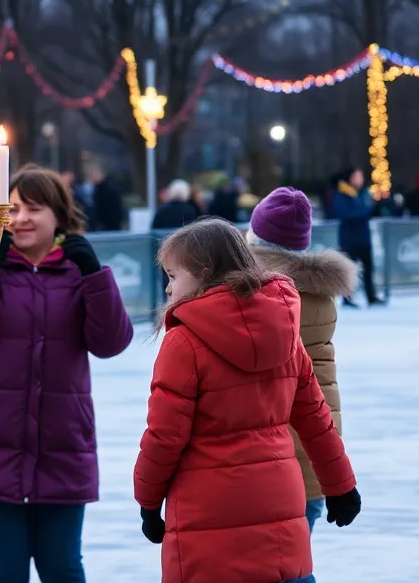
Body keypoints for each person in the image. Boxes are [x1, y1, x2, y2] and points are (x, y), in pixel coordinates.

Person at [0, 165, 133, 582]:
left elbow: (111, 342)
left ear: (58, 215)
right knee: (4, 570)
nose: (20, 219)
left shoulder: (78, 273)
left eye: (33, 208)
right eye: (11, 208)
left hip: (62, 447)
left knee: (62, 567)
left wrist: (95, 276)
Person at [135, 218, 361, 583]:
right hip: (279, 502)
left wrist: (147, 500)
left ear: (204, 273)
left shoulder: (184, 341)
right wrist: (340, 485)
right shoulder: (285, 329)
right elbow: (315, 417)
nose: (168, 288)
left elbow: (164, 435)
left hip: (208, 511)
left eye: (174, 277)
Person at [246, 188, 357, 550]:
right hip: (314, 456)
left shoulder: (252, 295)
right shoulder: (319, 295)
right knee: (293, 559)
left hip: (266, 457)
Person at [330, 168, 382, 307]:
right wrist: (366, 211)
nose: (360, 179)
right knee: (349, 270)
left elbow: (368, 211)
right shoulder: (342, 195)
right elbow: (346, 214)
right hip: (349, 240)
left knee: (368, 268)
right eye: (357, 176)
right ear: (350, 178)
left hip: (364, 238)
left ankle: (371, 296)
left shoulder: (363, 194)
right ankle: (347, 298)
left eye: (361, 176)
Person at [87, 165, 125, 232]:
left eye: (94, 175)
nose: (92, 177)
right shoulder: (98, 188)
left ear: (101, 174)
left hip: (109, 225)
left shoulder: (108, 189)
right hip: (106, 224)